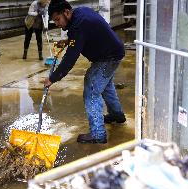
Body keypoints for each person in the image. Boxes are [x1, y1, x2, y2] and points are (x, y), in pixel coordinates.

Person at [44, 0, 126, 144]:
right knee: (106, 86)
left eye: (57, 19)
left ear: (67, 13)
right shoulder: (80, 13)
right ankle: (117, 115)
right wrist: (68, 41)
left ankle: (98, 134)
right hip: (113, 52)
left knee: (91, 89)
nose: (57, 24)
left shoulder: (78, 25)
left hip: (108, 58)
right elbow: (82, 37)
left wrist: (53, 78)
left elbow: (70, 59)